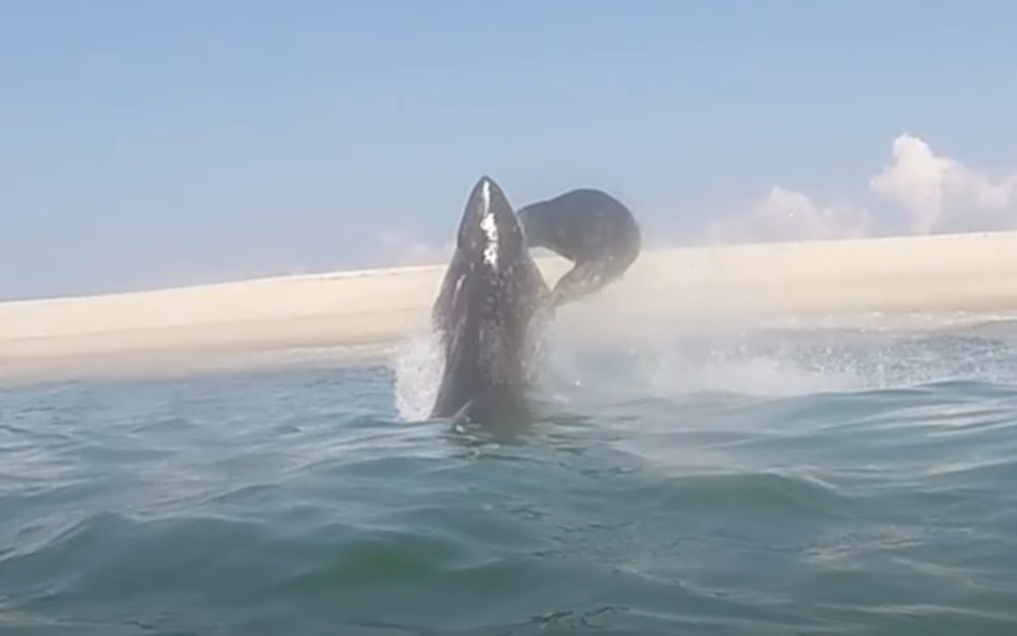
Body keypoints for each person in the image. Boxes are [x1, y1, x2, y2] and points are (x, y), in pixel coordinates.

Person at [516, 187, 641, 307]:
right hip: (618, 238)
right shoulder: (542, 220)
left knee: (562, 294)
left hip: (620, 240)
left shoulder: (554, 220)